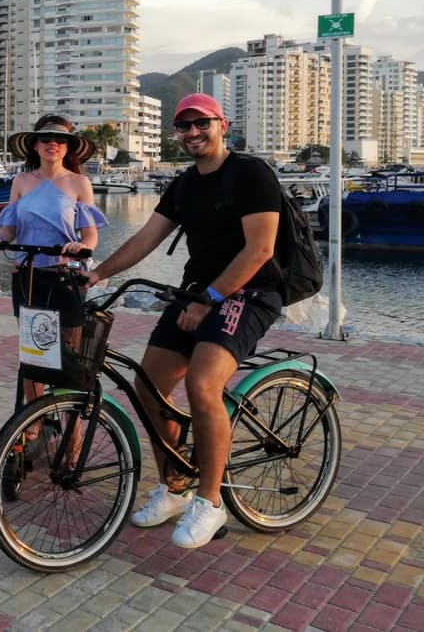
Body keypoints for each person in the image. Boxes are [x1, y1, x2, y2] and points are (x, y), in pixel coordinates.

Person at [83, 93, 282, 549]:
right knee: (148, 386)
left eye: (201, 123)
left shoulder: (250, 174)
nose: (192, 132)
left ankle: (210, 502)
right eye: (183, 126)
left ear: (222, 124)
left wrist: (211, 299)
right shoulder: (185, 184)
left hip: (251, 292)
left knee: (202, 384)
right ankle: (175, 486)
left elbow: (261, 250)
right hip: (196, 293)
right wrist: (97, 274)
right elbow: (146, 239)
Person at [0, 115, 105, 433]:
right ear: (35, 145)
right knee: (34, 357)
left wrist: (81, 246)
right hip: (28, 276)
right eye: (46, 139)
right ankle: (32, 428)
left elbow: (91, 235)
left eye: (60, 140)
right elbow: (10, 229)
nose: (53, 144)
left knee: (69, 359)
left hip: (64, 277)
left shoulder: (79, 183)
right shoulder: (21, 182)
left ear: (68, 147)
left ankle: (72, 439)